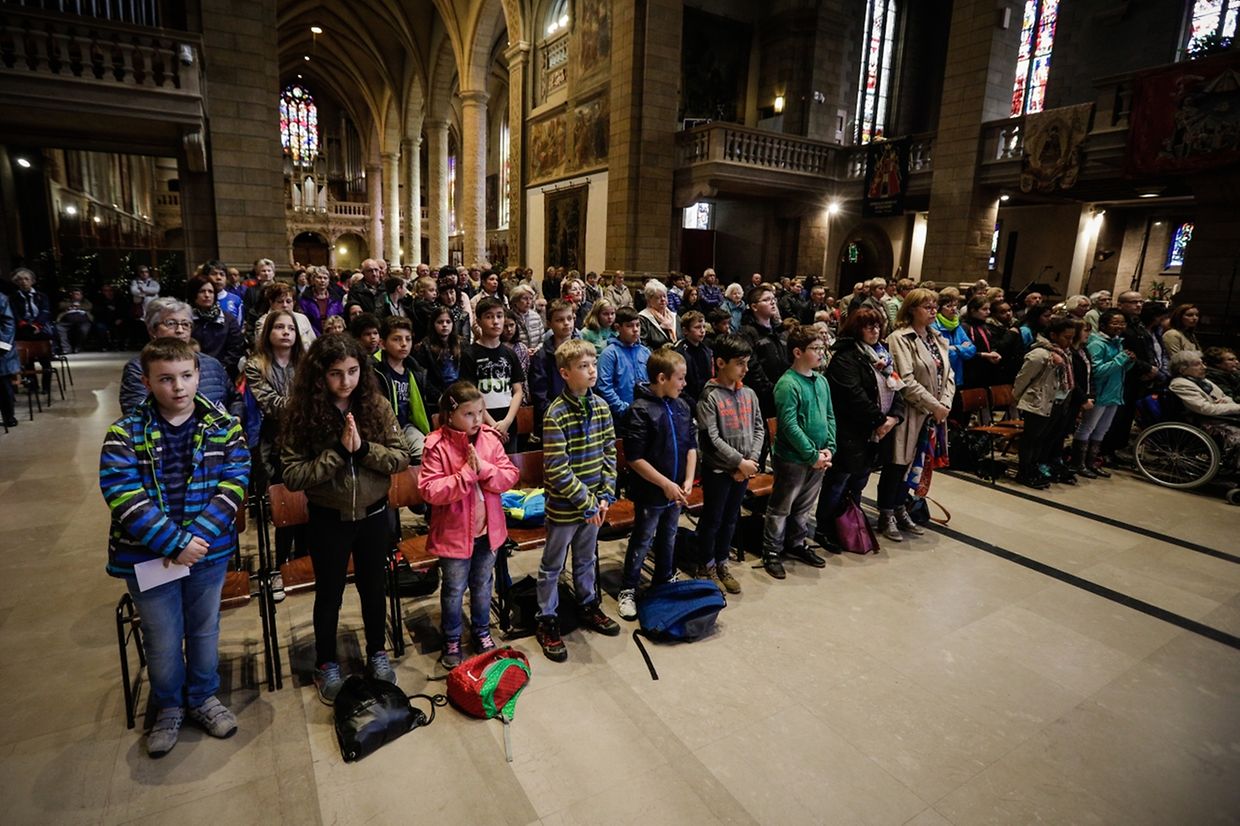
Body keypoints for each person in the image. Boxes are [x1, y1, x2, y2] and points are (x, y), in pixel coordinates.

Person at [100, 337, 249, 757]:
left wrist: (196, 538)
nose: (178, 387)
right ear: (147, 382)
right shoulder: (123, 433)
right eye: (166, 379)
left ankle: (202, 695)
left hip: (207, 552)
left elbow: (234, 482)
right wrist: (175, 542)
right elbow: (123, 494)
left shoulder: (224, 427)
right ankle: (168, 704)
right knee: (163, 637)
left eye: (186, 376)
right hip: (149, 558)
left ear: (199, 376)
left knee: (204, 629)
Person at [281, 333, 410, 704]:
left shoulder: (376, 405)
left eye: (353, 371)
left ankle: (376, 651)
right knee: (330, 594)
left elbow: (400, 457)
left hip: (373, 515)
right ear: (319, 375)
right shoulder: (303, 412)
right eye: (336, 374)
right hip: (328, 518)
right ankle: (326, 663)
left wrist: (364, 449)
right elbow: (293, 475)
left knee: (374, 588)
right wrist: (338, 450)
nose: (346, 382)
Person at [418, 381, 520, 669]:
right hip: (454, 534)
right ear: (450, 416)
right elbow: (430, 490)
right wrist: (465, 475)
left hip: (488, 531)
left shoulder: (488, 439)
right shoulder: (436, 445)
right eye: (468, 414)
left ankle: (481, 630)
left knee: (483, 583)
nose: (477, 420)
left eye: (480, 412)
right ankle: (451, 638)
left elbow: (509, 475)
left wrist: (484, 470)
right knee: (453, 588)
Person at [536, 338, 622, 661]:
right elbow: (557, 469)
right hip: (565, 507)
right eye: (583, 367)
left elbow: (610, 453)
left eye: (593, 365)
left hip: (593, 507)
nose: (591, 371)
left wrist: (605, 496)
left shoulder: (601, 407)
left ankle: (588, 605)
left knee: (587, 559)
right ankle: (546, 618)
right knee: (553, 564)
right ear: (565, 373)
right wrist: (587, 503)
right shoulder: (555, 414)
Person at [616, 348, 698, 621]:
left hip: (676, 490)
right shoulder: (639, 411)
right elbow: (635, 458)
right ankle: (628, 587)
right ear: (662, 378)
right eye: (680, 378)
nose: (684, 384)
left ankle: (664, 578)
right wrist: (665, 484)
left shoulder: (683, 406)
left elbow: (690, 446)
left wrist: (686, 480)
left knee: (670, 534)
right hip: (652, 491)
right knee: (643, 538)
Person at [815, 307, 904, 551]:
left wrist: (894, 417)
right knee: (838, 482)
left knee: (859, 483)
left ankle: (848, 523)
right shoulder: (846, 357)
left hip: (874, 433)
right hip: (850, 432)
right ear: (857, 328)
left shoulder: (882, 355)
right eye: (868, 326)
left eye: (877, 326)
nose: (875, 331)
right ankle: (825, 527)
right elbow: (853, 396)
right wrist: (879, 421)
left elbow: (896, 386)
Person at [761, 325, 834, 579]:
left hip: (818, 457)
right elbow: (789, 426)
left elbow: (829, 417)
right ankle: (772, 550)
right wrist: (811, 454)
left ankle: (796, 543)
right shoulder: (787, 384)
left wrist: (829, 448)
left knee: (804, 506)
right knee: (781, 507)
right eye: (815, 349)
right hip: (793, 459)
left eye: (822, 348)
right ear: (797, 352)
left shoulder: (821, 381)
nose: (821, 353)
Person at [880, 288, 953, 539]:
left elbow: (948, 375)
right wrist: (935, 405)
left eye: (935, 305)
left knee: (916, 464)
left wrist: (944, 402)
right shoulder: (900, 338)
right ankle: (886, 512)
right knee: (898, 463)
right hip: (909, 410)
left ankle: (902, 507)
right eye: (927, 306)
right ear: (911, 309)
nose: (933, 310)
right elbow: (905, 380)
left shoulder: (936, 338)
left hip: (933, 413)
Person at [694, 334, 763, 594]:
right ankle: (706, 564)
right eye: (740, 363)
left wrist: (751, 460)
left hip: (743, 469)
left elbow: (759, 428)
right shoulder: (709, 397)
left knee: (731, 519)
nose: (745, 369)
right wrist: (738, 463)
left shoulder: (749, 394)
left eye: (747, 363)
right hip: (719, 471)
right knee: (713, 519)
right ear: (721, 362)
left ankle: (723, 562)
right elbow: (711, 439)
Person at [244, 310, 306, 598]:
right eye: (279, 327)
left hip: (306, 438)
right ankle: (282, 567)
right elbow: (268, 403)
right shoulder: (256, 365)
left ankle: (305, 561)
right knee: (286, 505)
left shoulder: (304, 362)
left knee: (310, 503)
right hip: (274, 441)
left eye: (290, 328)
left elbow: (315, 396)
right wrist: (300, 404)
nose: (285, 333)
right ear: (268, 332)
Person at [120, 299, 234, 414]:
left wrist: (236, 417)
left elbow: (235, 399)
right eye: (171, 323)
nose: (180, 330)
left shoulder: (212, 364)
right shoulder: (138, 368)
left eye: (185, 324)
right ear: (152, 330)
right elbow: (136, 414)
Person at [1013, 316, 1077, 488]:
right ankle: (1024, 472)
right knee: (1031, 439)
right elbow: (1022, 379)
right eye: (1066, 337)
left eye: (1072, 338)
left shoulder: (1065, 353)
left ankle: (1035, 468)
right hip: (1038, 402)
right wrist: (1018, 398)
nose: (1070, 342)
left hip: (1057, 403)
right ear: (1054, 335)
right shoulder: (1040, 354)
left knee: (1044, 439)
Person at [1071, 309, 1132, 478]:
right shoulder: (1097, 343)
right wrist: (1121, 359)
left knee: (1102, 430)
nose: (1119, 326)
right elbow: (1096, 371)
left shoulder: (1117, 342)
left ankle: (1091, 463)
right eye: (1115, 323)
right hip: (1100, 392)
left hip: (1113, 393)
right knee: (1087, 427)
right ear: (1103, 325)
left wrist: (1128, 362)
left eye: (1122, 323)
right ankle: (1077, 463)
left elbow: (1117, 369)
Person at [460, 297, 525, 452]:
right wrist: (492, 425)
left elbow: (517, 391)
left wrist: (507, 422)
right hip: (480, 423)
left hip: (508, 424)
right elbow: (472, 394)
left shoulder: (510, 354)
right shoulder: (470, 354)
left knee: (508, 469)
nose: (495, 321)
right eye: (489, 317)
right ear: (479, 321)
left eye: (499, 316)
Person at [1167, 350, 1240, 470]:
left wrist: (1225, 403)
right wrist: (1234, 407)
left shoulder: (1204, 381)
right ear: (1182, 369)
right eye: (1197, 364)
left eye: (1203, 363)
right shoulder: (1180, 384)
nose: (1204, 367)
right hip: (1204, 422)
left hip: (1218, 417)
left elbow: (1226, 398)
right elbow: (1205, 408)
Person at [373, 317, 431, 463]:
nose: (404, 344)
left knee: (428, 455)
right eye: (397, 339)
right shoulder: (373, 369)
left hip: (405, 426)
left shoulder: (414, 371)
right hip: (382, 430)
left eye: (408, 339)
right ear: (382, 344)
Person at [739, 283, 789, 419]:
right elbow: (752, 366)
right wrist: (771, 389)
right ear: (754, 306)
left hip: (783, 392)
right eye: (766, 300)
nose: (772, 303)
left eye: (773, 299)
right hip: (762, 396)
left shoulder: (779, 331)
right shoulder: (747, 332)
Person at [529, 299, 581, 430]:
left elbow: (588, 388)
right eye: (559, 320)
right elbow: (540, 397)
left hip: (580, 418)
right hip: (553, 422)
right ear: (549, 324)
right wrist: (560, 417)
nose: (566, 323)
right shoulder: (541, 357)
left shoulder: (582, 351)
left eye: (570, 318)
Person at [596, 306, 650, 419]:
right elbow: (604, 387)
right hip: (621, 416)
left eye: (637, 325)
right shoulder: (609, 354)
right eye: (629, 326)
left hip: (645, 413)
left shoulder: (645, 352)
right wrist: (624, 409)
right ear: (617, 327)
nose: (635, 329)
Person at [413, 305, 463, 416]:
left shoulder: (462, 344)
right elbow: (424, 378)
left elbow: (467, 373)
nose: (444, 325)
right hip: (437, 397)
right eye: (440, 322)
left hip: (460, 393)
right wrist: (440, 397)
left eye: (448, 322)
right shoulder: (424, 347)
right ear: (433, 324)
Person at [931, 290, 976, 399]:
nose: (954, 309)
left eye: (956, 305)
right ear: (939, 309)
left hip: (957, 375)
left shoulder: (957, 325)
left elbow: (972, 349)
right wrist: (960, 348)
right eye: (949, 306)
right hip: (940, 377)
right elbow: (940, 352)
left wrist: (954, 348)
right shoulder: (934, 325)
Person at [254, 282, 316, 351]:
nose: (285, 305)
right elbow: (262, 348)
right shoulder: (263, 322)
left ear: (294, 302)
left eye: (288, 301)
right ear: (271, 303)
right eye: (280, 301)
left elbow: (313, 345)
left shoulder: (302, 319)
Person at [675, 310, 714, 407]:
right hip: (687, 402)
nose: (702, 331)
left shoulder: (707, 350)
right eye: (697, 327)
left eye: (703, 327)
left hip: (706, 400)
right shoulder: (679, 353)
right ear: (685, 331)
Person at [299, 267, 344, 336]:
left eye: (325, 278)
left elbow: (340, 317)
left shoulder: (335, 298)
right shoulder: (305, 298)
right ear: (313, 280)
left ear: (328, 281)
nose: (322, 280)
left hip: (333, 335)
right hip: (312, 334)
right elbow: (304, 320)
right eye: (319, 278)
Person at [638, 279, 681, 349]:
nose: (663, 299)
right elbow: (643, 346)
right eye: (658, 297)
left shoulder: (675, 317)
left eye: (664, 296)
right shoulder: (643, 319)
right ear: (649, 300)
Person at [201, 260, 244, 326]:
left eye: (222, 274)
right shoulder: (199, 300)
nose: (218, 277)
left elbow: (239, 326)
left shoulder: (236, 300)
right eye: (214, 274)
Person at [0, 291, 19, 427]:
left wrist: (2, 346)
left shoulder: (1, 298)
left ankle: (9, 417)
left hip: (0, 348)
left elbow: (8, 323)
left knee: (2, 385)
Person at [55, 286, 93, 353]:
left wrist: (79, 306)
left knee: (84, 330)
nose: (76, 296)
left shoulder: (85, 301)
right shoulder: (66, 301)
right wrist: (72, 304)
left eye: (78, 294)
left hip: (83, 321)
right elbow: (60, 305)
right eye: (75, 294)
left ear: (81, 295)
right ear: (71, 294)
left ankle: (78, 347)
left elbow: (89, 306)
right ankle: (66, 348)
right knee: (59, 328)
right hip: (67, 321)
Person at [510, 284, 544, 352]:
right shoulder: (509, 317)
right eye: (525, 298)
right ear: (515, 301)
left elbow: (542, 338)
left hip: (536, 353)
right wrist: (524, 351)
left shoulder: (536, 316)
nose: (528, 302)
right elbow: (507, 341)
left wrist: (537, 349)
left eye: (531, 298)